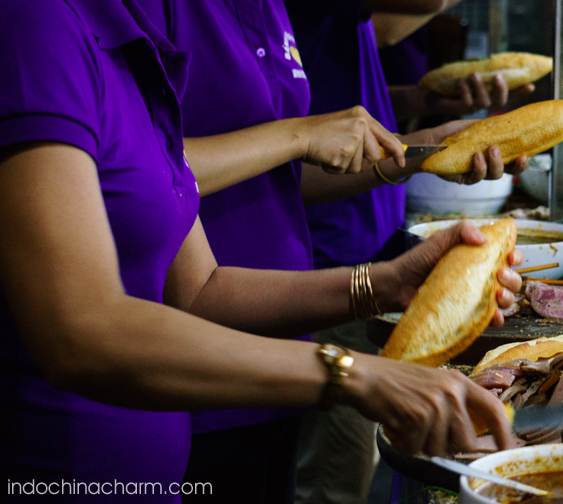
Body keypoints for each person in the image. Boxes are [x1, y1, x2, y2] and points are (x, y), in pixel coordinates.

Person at [0, 2, 522, 504]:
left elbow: (200, 290)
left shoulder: (131, 34)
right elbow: (80, 331)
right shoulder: (32, 25)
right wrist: (353, 373)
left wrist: (387, 283)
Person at [285, 1, 531, 503]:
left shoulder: (349, 16)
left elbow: (345, 129)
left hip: (367, 262)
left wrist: (425, 119)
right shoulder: (305, 14)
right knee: (335, 478)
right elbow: (293, 159)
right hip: (325, 265)